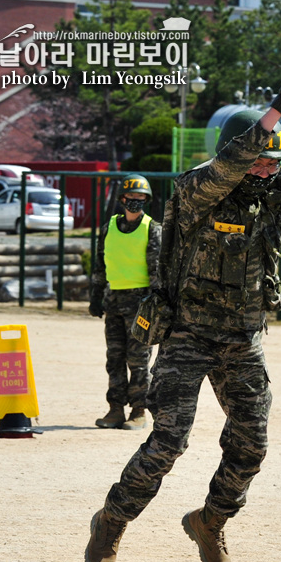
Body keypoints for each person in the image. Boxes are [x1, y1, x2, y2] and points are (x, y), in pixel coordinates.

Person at [85, 56, 281, 562]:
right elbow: (229, 164)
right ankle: (111, 522)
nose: (270, 170)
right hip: (188, 335)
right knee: (169, 440)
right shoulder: (196, 191)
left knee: (253, 442)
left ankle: (210, 520)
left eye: (275, 163)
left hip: (241, 339)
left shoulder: (272, 198)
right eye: (262, 162)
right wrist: (276, 108)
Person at [90, 174, 162, 430]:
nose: (135, 202)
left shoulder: (152, 228)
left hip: (140, 304)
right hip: (114, 301)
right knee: (115, 358)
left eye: (141, 198)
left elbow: (157, 272)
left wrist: (157, 305)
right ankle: (115, 409)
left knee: (139, 360)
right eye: (131, 198)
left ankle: (139, 411)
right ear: (122, 199)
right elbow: (101, 262)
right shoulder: (109, 227)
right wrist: (96, 294)